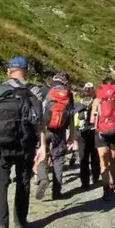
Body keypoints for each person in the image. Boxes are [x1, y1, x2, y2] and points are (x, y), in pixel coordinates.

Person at [0, 57, 46, 228]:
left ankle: (0, 226)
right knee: (23, 181)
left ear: (9, 71)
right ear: (26, 71)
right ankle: (20, 221)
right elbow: (39, 122)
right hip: (25, 144)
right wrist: (42, 147)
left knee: (0, 185)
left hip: (0, 145)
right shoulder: (34, 91)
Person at [36, 71, 74, 201]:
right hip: (60, 131)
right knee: (58, 159)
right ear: (65, 81)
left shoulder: (44, 89)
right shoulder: (68, 93)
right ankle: (56, 191)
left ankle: (43, 178)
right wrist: (72, 135)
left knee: (42, 153)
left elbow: (37, 111)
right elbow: (71, 116)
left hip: (44, 129)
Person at [91, 77, 115, 200]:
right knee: (113, 161)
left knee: (103, 163)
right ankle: (113, 183)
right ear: (114, 86)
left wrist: (96, 120)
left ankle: (105, 188)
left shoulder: (99, 97)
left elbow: (92, 118)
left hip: (100, 133)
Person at [74, 82, 100, 190]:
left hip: (81, 133)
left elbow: (75, 121)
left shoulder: (78, 103)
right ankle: (95, 177)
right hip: (95, 131)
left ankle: (85, 183)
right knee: (95, 155)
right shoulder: (97, 102)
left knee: (83, 158)